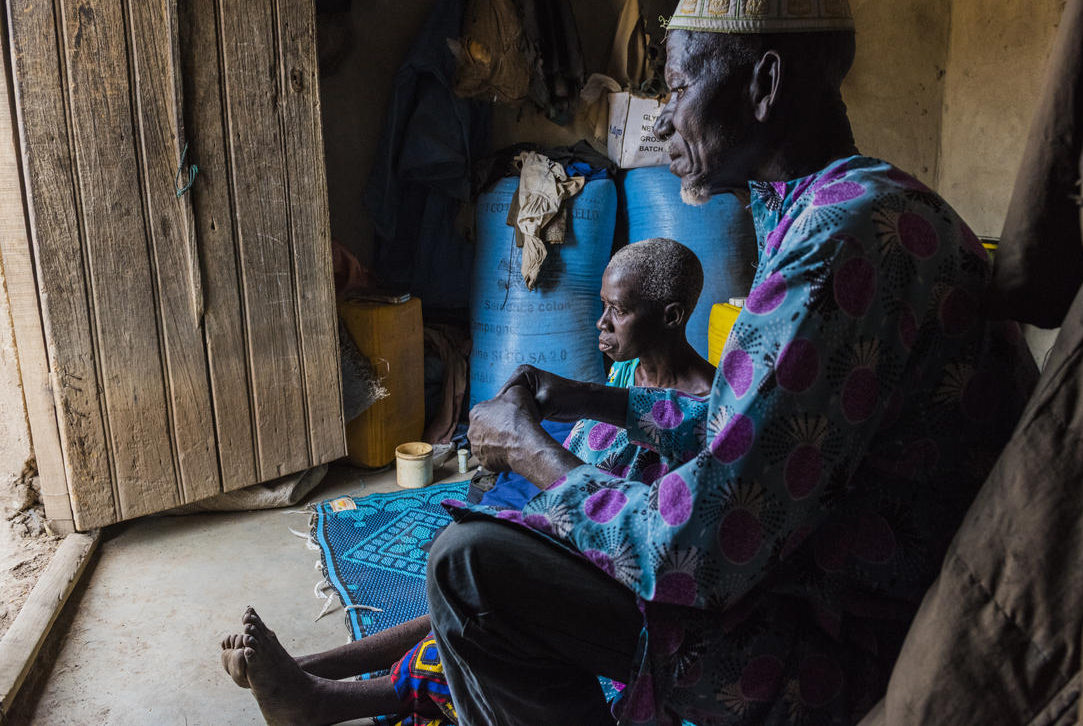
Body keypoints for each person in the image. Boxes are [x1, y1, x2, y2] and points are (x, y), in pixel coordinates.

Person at [428, 0, 1038, 726]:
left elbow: (695, 550)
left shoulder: (837, 247)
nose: (660, 119)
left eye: (678, 88)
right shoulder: (856, 203)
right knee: (593, 469)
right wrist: (586, 398)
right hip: (838, 576)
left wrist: (526, 448)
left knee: (470, 569)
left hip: (853, 636)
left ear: (764, 84)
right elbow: (754, 435)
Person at [220, 238, 715, 726]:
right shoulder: (626, 376)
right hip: (582, 545)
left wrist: (530, 473)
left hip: (631, 586)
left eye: (618, 311)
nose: (601, 322)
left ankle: (320, 700)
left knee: (478, 613)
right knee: (463, 587)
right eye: (602, 306)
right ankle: (311, 670)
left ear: (671, 317)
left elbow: (652, 531)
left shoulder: (707, 412)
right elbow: (585, 458)